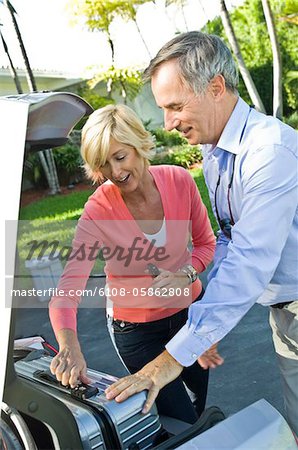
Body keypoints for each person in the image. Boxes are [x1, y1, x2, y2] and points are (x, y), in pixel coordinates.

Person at [104, 31, 298, 438]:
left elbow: (248, 263)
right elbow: (227, 238)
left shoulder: (270, 153)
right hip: (284, 312)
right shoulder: (214, 152)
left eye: (175, 107)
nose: (169, 122)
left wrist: (171, 358)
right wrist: (203, 324)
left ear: (216, 87)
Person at [49, 103, 216, 423]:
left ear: (139, 144)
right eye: (103, 164)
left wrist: (186, 273)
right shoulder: (99, 210)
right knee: (181, 421)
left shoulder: (179, 181)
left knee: (198, 405)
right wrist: (68, 345)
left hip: (191, 316)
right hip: (137, 332)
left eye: (120, 156)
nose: (114, 172)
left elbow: (207, 244)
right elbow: (68, 288)